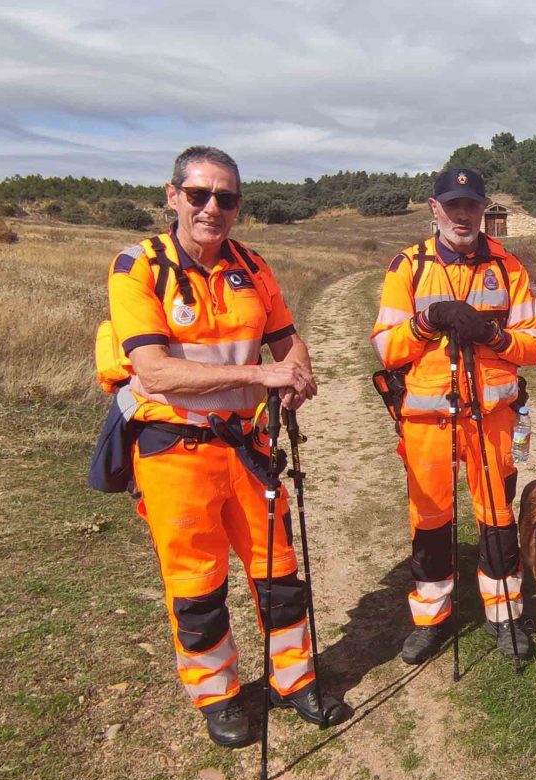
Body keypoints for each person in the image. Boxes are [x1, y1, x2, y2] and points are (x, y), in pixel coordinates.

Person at [102, 146, 346, 747]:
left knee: (280, 574)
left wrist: (297, 376)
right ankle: (220, 695)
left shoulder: (254, 267)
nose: (213, 208)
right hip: (173, 449)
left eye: (226, 198)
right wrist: (263, 377)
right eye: (199, 195)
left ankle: (295, 680)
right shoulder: (137, 266)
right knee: (197, 584)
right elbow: (155, 372)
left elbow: (287, 340)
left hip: (248, 447)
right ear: (172, 195)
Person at [371, 168, 536, 664]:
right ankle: (431, 618)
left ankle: (504, 614)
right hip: (428, 421)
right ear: (434, 209)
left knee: (497, 517)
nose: (463, 215)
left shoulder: (509, 267)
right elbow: (387, 346)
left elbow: (532, 346)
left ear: (483, 208)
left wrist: (491, 336)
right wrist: (428, 322)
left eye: (472, 205)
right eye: (453, 206)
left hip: (492, 418)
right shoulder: (407, 267)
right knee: (430, 521)